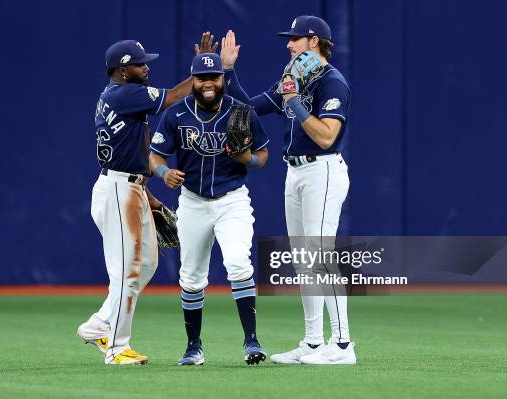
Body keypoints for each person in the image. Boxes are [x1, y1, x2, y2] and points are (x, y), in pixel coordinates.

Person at [220, 15, 357, 365]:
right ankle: (313, 343)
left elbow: (328, 136)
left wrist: (294, 101)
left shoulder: (332, 81)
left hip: (322, 169)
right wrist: (228, 71)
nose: (288, 44)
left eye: (295, 39)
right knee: (303, 262)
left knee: (320, 256)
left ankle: (342, 346)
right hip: (294, 171)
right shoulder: (295, 78)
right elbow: (248, 108)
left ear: (314, 42)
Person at [76, 36, 215, 365]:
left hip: (130, 188)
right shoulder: (126, 94)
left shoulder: (119, 95)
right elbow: (175, 97)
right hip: (117, 191)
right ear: (123, 71)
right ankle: (116, 347)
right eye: (140, 63)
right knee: (128, 270)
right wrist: (204, 70)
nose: (146, 67)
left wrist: (147, 196)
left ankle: (99, 324)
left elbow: (129, 155)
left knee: (146, 263)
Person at [149, 53, 270, 365]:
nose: (208, 83)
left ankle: (251, 342)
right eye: (202, 78)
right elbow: (155, 156)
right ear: (193, 80)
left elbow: (262, 155)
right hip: (192, 201)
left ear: (222, 79)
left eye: (214, 77)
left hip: (232, 200)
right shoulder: (176, 115)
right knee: (190, 277)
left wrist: (248, 160)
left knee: (238, 265)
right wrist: (164, 173)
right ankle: (193, 347)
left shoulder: (240, 112)